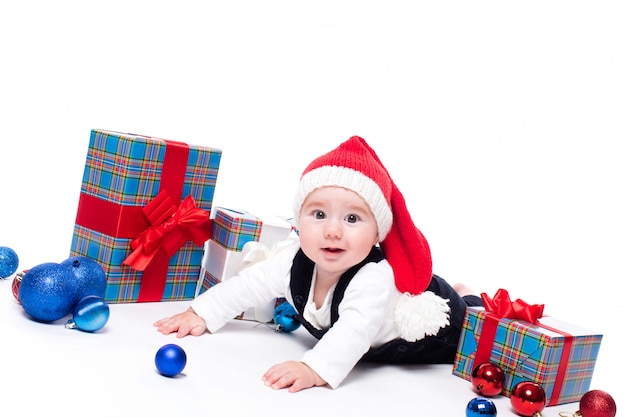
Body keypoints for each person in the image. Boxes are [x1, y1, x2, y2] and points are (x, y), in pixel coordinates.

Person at [154, 136, 483, 392]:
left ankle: (467, 299)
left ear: (376, 235)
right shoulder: (294, 261)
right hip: (386, 331)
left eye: (352, 218)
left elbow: (354, 332)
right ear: (300, 222)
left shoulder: (372, 278)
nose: (333, 230)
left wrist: (315, 367)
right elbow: (250, 283)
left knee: (472, 329)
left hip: (435, 328)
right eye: (319, 214)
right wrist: (202, 312)